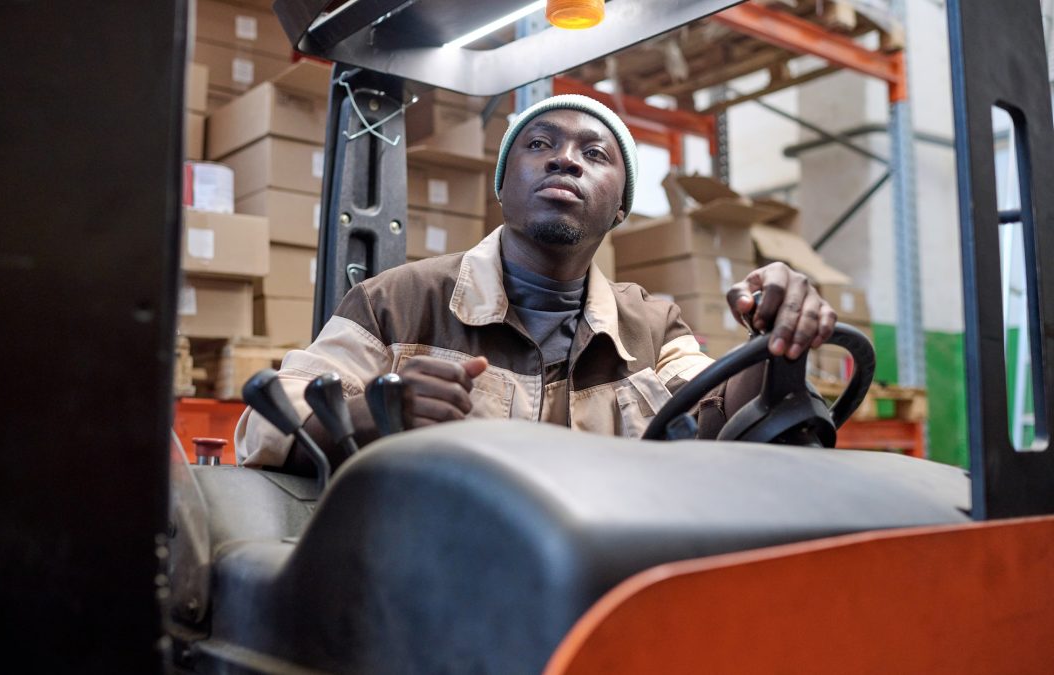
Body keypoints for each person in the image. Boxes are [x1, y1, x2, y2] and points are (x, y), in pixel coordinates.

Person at [236, 94, 837, 471]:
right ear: (502, 187)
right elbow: (262, 427)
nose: (565, 159)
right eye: (540, 145)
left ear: (620, 209)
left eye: (595, 153)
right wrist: (376, 410)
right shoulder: (398, 302)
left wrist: (776, 332)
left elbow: (726, 423)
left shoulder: (653, 327)